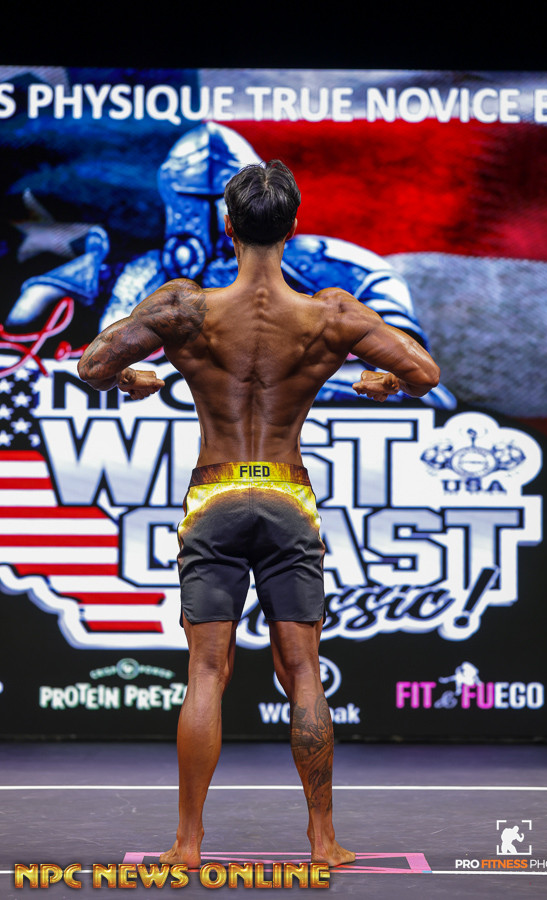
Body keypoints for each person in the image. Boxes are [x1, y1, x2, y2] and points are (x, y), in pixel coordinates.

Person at [77, 160, 440, 868]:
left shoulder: (184, 307)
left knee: (206, 672)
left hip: (215, 495)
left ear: (227, 224)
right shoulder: (332, 313)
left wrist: (130, 377)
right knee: (303, 671)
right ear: (294, 225)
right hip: (285, 495)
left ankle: (187, 844)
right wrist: (385, 382)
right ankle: (323, 840)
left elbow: (92, 364)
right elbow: (424, 373)